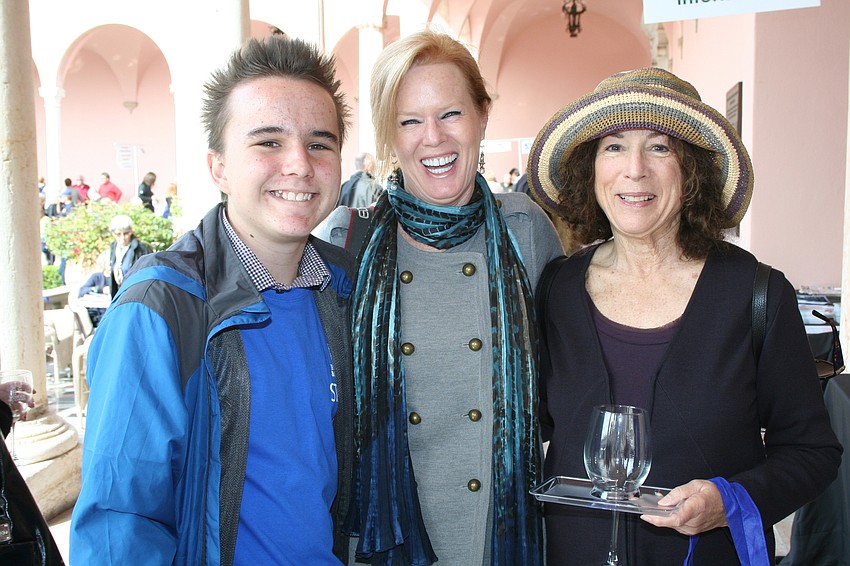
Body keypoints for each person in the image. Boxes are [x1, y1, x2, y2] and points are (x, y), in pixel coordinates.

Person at [527, 67, 842, 565]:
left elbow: (812, 453)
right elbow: (535, 425)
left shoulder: (756, 295)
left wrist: (730, 500)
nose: (634, 169)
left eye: (659, 146)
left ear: (692, 171)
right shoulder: (557, 291)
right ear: (591, 169)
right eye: (612, 146)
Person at [71, 35, 355, 565]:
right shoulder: (160, 308)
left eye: (320, 143)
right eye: (268, 142)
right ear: (219, 166)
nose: (298, 163)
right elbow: (120, 524)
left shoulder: (343, 289)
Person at [318, 30, 563, 565]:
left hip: (501, 536)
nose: (433, 137)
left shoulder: (525, 231)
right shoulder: (346, 239)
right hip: (387, 538)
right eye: (409, 120)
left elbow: (571, 375)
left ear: (482, 117)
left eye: (450, 114)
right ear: (390, 134)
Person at [104, 214, 152, 297]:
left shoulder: (141, 249)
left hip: (135, 294)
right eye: (118, 234)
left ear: (131, 231)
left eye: (126, 233)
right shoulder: (114, 247)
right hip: (119, 293)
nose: (122, 238)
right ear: (113, 234)